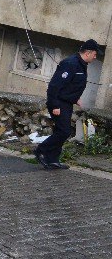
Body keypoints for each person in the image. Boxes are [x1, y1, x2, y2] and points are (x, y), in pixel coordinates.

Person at [35, 39, 100, 170]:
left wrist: (75, 98)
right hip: (59, 103)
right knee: (64, 131)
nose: (95, 56)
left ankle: (52, 160)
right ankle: (41, 150)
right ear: (87, 53)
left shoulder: (81, 64)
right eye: (94, 53)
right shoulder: (70, 63)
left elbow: (71, 85)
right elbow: (54, 85)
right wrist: (54, 105)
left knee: (61, 131)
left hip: (67, 102)